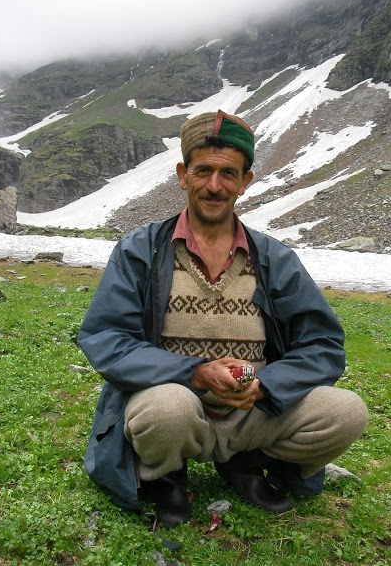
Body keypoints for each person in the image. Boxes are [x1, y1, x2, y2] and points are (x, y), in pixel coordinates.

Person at [78, 109, 368, 527]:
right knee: (167, 410)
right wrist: (194, 373)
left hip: (255, 412)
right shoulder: (140, 250)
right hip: (178, 403)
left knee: (346, 413)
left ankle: (246, 464)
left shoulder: (274, 258)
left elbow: (323, 344)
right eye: (203, 171)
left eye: (228, 173)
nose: (215, 186)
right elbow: (107, 336)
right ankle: (164, 477)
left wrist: (266, 385)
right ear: (183, 175)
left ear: (245, 181)